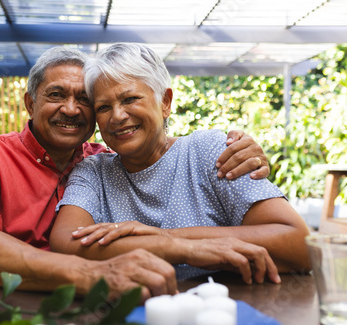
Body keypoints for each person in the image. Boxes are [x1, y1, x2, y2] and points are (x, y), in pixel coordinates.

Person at [0, 46, 274, 301]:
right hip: (6, 305)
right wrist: (94, 273)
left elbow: (161, 143)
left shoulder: (101, 159)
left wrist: (243, 152)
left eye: (85, 100)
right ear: (30, 103)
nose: (71, 109)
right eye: (56, 95)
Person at [50, 43, 311, 285]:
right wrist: (178, 248)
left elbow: (300, 244)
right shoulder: (93, 171)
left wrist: (166, 237)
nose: (117, 116)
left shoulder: (209, 151)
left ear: (165, 102)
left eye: (130, 99)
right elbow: (65, 243)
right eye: (104, 107)